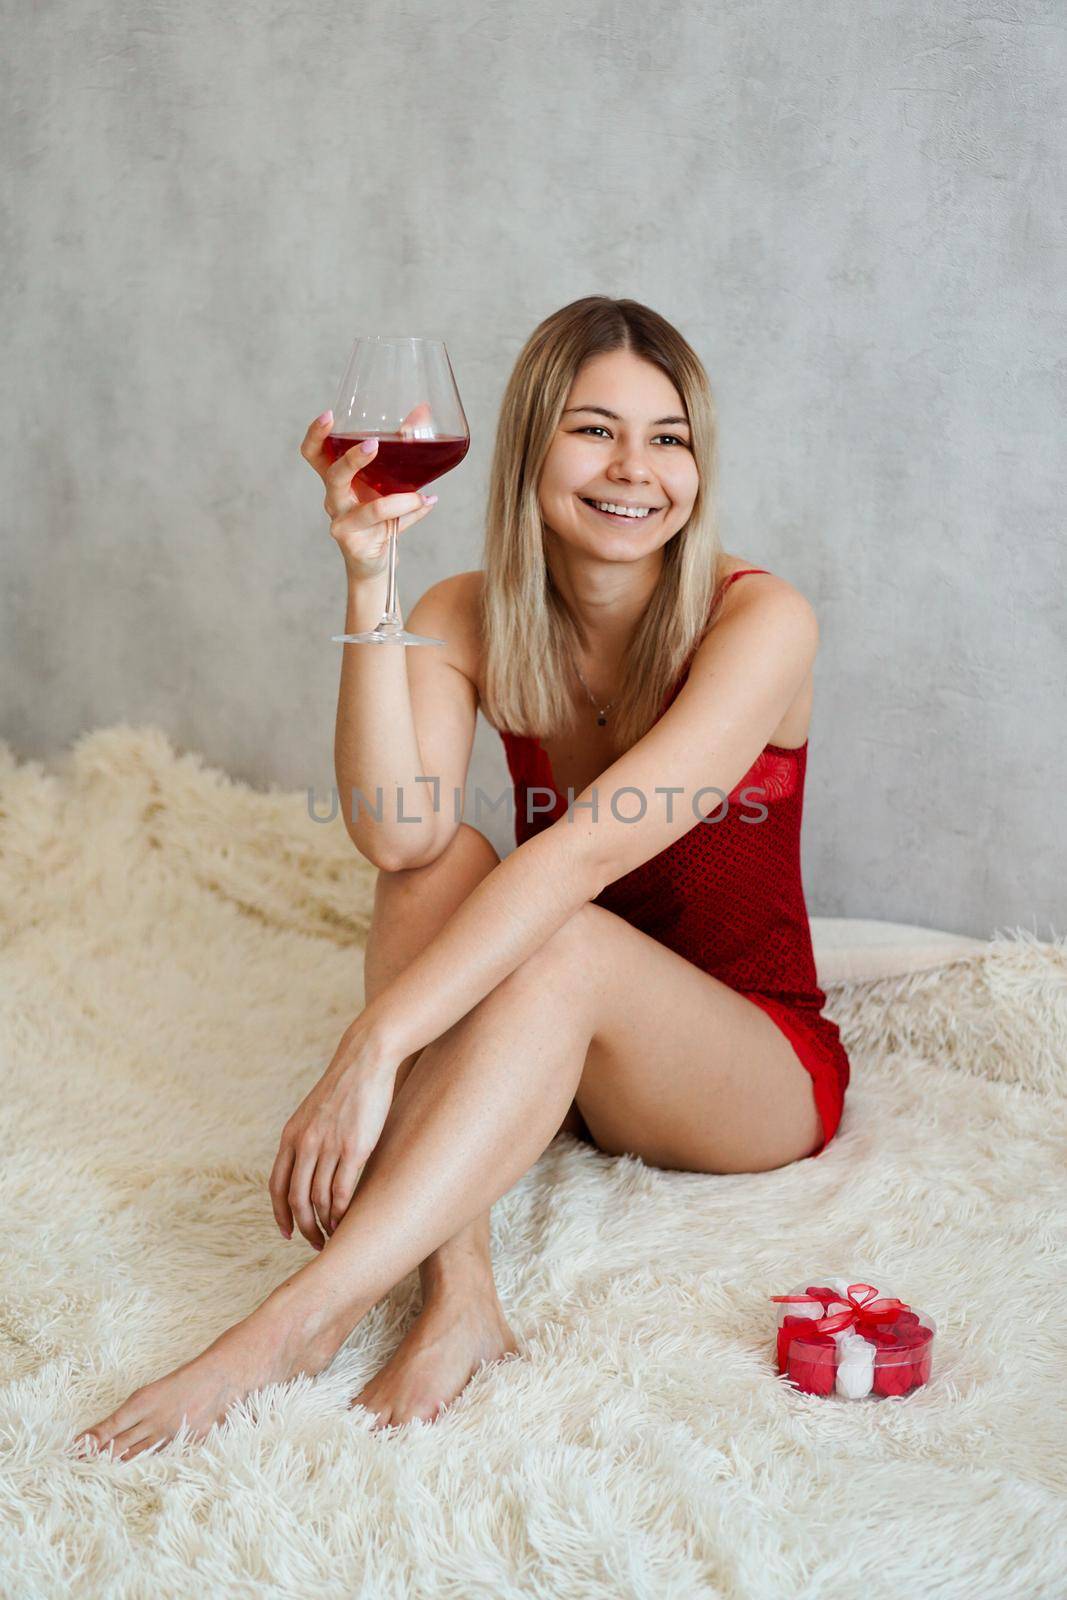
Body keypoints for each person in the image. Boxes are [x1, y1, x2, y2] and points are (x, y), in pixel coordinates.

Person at [73, 295, 849, 1461]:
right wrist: (367, 574)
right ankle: (459, 1294)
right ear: (530, 445)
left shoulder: (761, 619)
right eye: (594, 430)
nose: (635, 468)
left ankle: (295, 1320)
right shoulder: (473, 614)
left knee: (563, 922)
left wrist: (374, 1044)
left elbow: (587, 853)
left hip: (747, 1066)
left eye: (668, 436)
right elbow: (396, 833)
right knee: (442, 861)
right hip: (561, 1040)